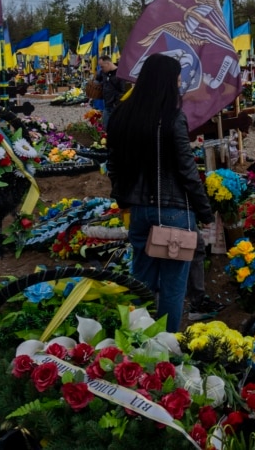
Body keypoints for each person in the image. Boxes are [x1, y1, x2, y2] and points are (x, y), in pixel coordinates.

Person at [106, 53, 215, 332]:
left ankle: (138, 338)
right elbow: (186, 168)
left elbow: (113, 165)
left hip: (139, 210)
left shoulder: (121, 114)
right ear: (165, 81)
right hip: (174, 211)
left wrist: (123, 200)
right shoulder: (170, 118)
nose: (179, 84)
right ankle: (165, 349)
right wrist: (204, 210)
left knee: (142, 281)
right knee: (172, 286)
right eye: (177, 79)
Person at [97, 55, 127, 129]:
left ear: (108, 64)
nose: (101, 69)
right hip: (107, 105)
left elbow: (124, 91)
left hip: (116, 107)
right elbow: (98, 82)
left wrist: (116, 103)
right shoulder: (102, 73)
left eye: (102, 66)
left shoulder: (121, 74)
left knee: (116, 129)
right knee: (105, 129)